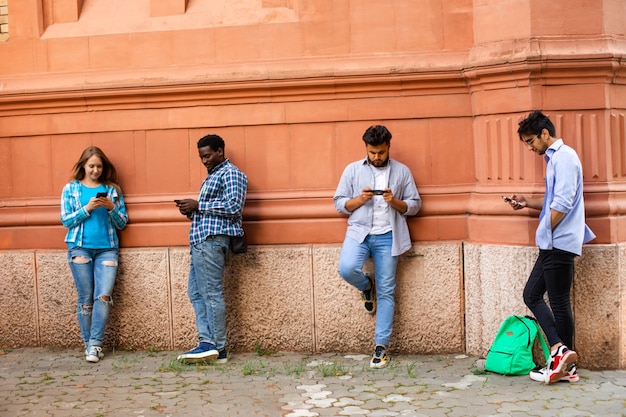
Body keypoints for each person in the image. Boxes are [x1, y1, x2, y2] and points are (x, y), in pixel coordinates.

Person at [505, 110, 595, 384]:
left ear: (545, 134)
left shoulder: (565, 156)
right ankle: (565, 363)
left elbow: (564, 202)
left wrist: (546, 229)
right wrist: (527, 202)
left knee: (547, 299)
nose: (529, 147)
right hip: (555, 241)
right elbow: (553, 199)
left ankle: (560, 352)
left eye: (531, 141)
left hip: (558, 241)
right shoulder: (555, 158)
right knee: (540, 296)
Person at [334, 125, 421, 369]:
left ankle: (380, 346)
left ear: (388, 147)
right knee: (346, 268)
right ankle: (365, 285)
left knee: (387, 291)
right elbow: (339, 203)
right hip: (359, 232)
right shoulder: (352, 170)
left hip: (388, 236)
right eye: (372, 152)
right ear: (366, 149)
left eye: (381, 152)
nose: (377, 157)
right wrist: (359, 200)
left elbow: (415, 205)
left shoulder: (402, 172)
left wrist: (395, 201)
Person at [176, 134, 247, 364]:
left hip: (212, 240)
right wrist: (192, 211)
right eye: (201, 157)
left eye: (207, 155)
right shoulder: (214, 175)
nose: (204, 160)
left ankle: (219, 347)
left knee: (210, 294)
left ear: (220, 151)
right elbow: (214, 211)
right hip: (200, 240)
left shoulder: (232, 173)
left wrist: (199, 205)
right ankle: (207, 343)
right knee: (196, 293)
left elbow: (234, 206)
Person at [60, 146, 129, 363]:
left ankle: (95, 345)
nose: (95, 170)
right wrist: (87, 208)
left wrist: (111, 208)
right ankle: (89, 343)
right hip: (80, 248)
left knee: (104, 296)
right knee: (86, 299)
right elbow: (66, 221)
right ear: (83, 166)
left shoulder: (112, 189)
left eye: (99, 166)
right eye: (91, 166)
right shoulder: (71, 189)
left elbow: (122, 223)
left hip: (107, 248)